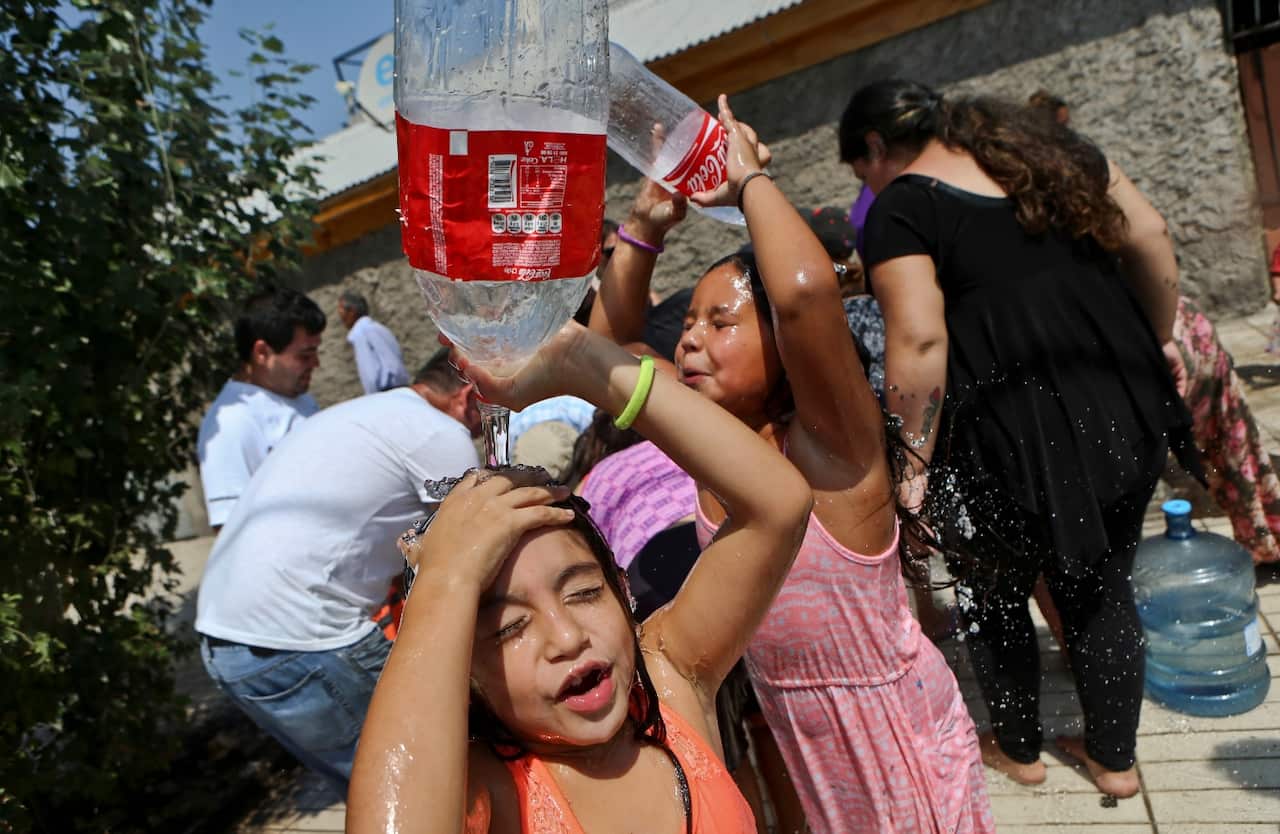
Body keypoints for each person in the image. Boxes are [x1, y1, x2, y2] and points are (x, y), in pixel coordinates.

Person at [588, 97, 993, 834]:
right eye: (686, 325)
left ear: (781, 345)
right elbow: (605, 350)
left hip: (887, 730)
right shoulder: (715, 437)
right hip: (800, 734)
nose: (690, 342)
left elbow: (807, 297)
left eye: (721, 322)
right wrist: (645, 226)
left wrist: (748, 182)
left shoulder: (832, 450)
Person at [842, 79, 1198, 797]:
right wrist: (1163, 339)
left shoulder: (904, 207)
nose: (869, 184)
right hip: (1122, 398)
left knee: (994, 592)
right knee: (1100, 584)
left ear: (877, 147)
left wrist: (911, 459)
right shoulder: (1055, 157)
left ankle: (1018, 748)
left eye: (863, 170)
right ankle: (1114, 762)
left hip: (1006, 425)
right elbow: (1152, 236)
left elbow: (917, 338)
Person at [347, 322, 814, 834]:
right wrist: (445, 579)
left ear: (621, 587)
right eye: (508, 628)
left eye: (586, 592)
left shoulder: (669, 683)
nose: (568, 638)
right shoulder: (487, 793)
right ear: (465, 677)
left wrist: (587, 363)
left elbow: (779, 505)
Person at [196, 349, 482, 795]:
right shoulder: (439, 432)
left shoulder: (360, 412)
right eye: (487, 419)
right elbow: (478, 551)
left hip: (228, 643)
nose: (481, 435)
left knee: (374, 796)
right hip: (299, 641)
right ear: (467, 397)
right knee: (437, 790)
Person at [197, 286, 325, 529]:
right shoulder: (232, 423)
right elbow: (231, 532)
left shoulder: (298, 397)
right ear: (262, 352)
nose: (315, 363)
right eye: (305, 355)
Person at [337, 290, 410, 394]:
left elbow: (370, 377)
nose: (340, 316)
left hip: (385, 395)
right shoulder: (380, 328)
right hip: (403, 390)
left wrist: (373, 401)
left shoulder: (360, 333)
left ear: (352, 312)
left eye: (340, 310)